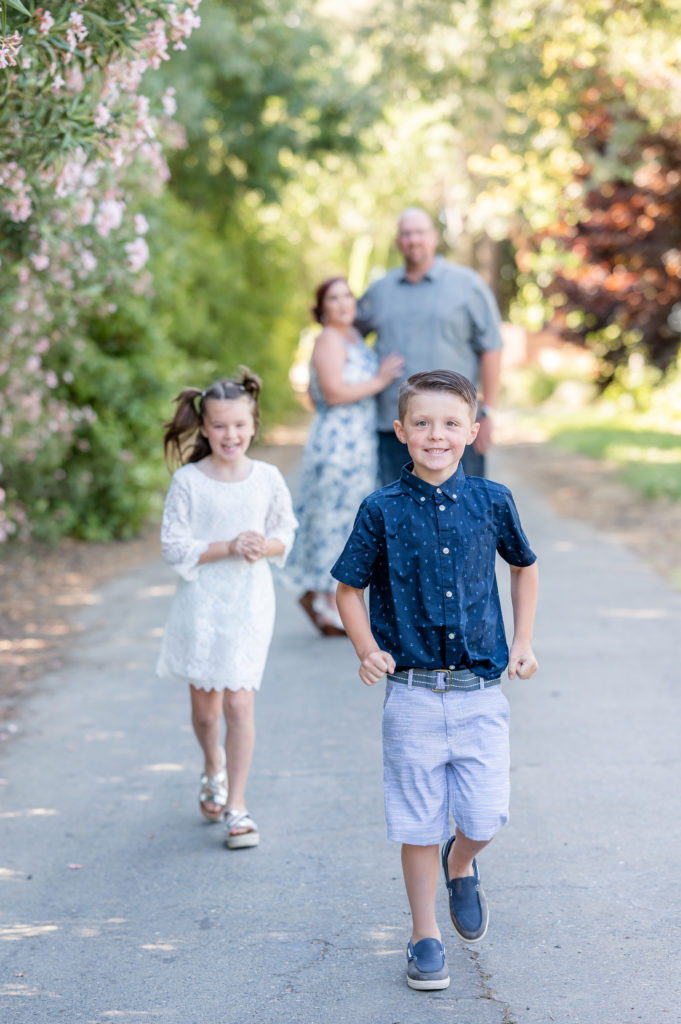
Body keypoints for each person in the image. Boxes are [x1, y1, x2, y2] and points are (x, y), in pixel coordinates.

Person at [332, 369, 538, 991]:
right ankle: (425, 937)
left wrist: (523, 641)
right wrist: (367, 648)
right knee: (417, 822)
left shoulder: (493, 501)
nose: (436, 435)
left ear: (473, 431)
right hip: (414, 695)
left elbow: (525, 568)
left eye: (451, 424)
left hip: (480, 693)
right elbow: (347, 588)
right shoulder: (381, 509)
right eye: (421, 423)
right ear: (400, 432)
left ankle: (462, 860)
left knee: (485, 816)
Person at [156, 368, 297, 849]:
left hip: (249, 601)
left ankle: (238, 805)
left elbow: (286, 532)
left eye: (238, 425)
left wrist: (266, 546)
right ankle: (211, 762)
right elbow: (174, 547)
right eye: (219, 426)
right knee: (205, 710)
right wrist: (228, 545)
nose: (229, 435)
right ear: (204, 428)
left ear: (253, 424)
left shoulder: (268, 479)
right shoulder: (189, 482)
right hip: (201, 602)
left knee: (238, 701)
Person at [280, 276, 403, 635]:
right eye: (334, 298)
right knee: (331, 519)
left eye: (347, 295)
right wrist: (380, 380)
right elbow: (332, 392)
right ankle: (326, 600)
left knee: (348, 519)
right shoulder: (329, 340)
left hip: (359, 441)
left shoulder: (353, 339)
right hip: (336, 442)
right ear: (322, 309)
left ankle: (322, 596)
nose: (344, 303)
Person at [355, 206, 504, 484]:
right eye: (406, 234)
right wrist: (325, 383)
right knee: (397, 519)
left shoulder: (467, 285)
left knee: (464, 515)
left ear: (434, 237)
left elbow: (492, 347)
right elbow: (345, 337)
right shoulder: (379, 291)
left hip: (454, 427)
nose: (413, 240)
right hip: (394, 427)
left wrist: (488, 412)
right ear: (399, 241)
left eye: (420, 232)